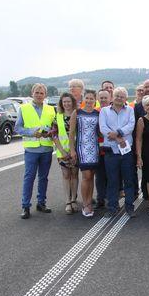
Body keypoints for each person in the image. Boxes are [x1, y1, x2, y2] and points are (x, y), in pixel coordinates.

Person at [15, 83, 56, 219]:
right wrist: (32, 132)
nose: (39, 95)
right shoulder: (24, 108)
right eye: (36, 92)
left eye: (41, 93)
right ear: (32, 93)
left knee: (43, 178)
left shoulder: (51, 109)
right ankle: (25, 206)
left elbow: (54, 128)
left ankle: (41, 203)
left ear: (45, 95)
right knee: (29, 178)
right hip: (31, 149)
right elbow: (18, 128)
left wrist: (49, 132)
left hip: (46, 148)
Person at [99, 87, 137, 217]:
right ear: (112, 97)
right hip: (111, 151)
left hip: (126, 152)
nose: (119, 98)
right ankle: (112, 207)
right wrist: (118, 138)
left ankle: (129, 207)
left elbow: (131, 126)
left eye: (122, 96)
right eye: (117, 96)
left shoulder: (130, 110)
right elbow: (103, 128)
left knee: (129, 180)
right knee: (112, 181)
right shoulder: (104, 111)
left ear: (126, 98)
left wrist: (118, 133)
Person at [69, 90, 100, 218]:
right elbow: (71, 133)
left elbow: (100, 131)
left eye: (91, 99)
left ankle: (89, 201)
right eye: (87, 98)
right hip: (82, 147)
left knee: (91, 175)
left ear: (95, 100)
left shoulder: (97, 114)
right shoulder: (77, 113)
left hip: (94, 148)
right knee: (86, 175)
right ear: (83, 99)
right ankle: (85, 204)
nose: (89, 101)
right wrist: (72, 150)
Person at [51, 92, 79, 214]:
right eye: (64, 102)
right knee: (66, 175)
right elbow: (54, 135)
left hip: (75, 150)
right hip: (62, 152)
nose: (67, 104)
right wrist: (62, 150)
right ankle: (67, 201)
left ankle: (74, 199)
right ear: (61, 104)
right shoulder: (57, 117)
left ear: (73, 102)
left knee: (74, 175)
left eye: (69, 101)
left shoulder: (78, 115)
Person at [94, 89, 111, 209]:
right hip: (98, 150)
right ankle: (100, 199)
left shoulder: (113, 112)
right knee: (99, 176)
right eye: (101, 98)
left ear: (110, 98)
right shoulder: (95, 113)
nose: (103, 100)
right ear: (98, 99)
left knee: (111, 176)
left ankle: (111, 199)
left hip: (111, 149)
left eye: (106, 97)